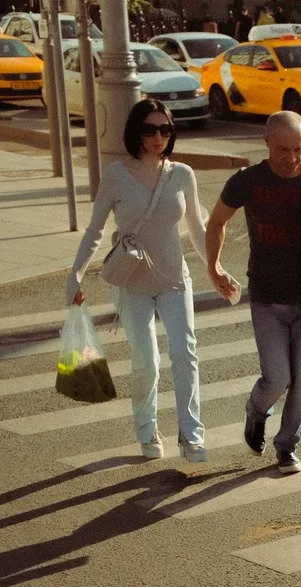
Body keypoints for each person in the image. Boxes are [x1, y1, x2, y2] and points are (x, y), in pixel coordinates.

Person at [206, 112, 301, 475]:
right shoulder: (247, 180)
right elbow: (217, 221)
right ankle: (257, 411)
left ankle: (287, 446)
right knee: (277, 377)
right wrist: (214, 266)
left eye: (298, 149)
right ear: (265, 140)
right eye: (282, 149)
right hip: (268, 298)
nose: (291, 158)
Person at [67, 99, 212, 462]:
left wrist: (216, 268)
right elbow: (95, 230)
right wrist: (75, 274)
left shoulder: (182, 174)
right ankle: (147, 429)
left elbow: (196, 230)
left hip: (175, 280)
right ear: (135, 131)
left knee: (185, 353)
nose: (159, 137)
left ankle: (191, 435)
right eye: (150, 129)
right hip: (132, 284)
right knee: (147, 360)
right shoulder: (116, 175)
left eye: (165, 129)